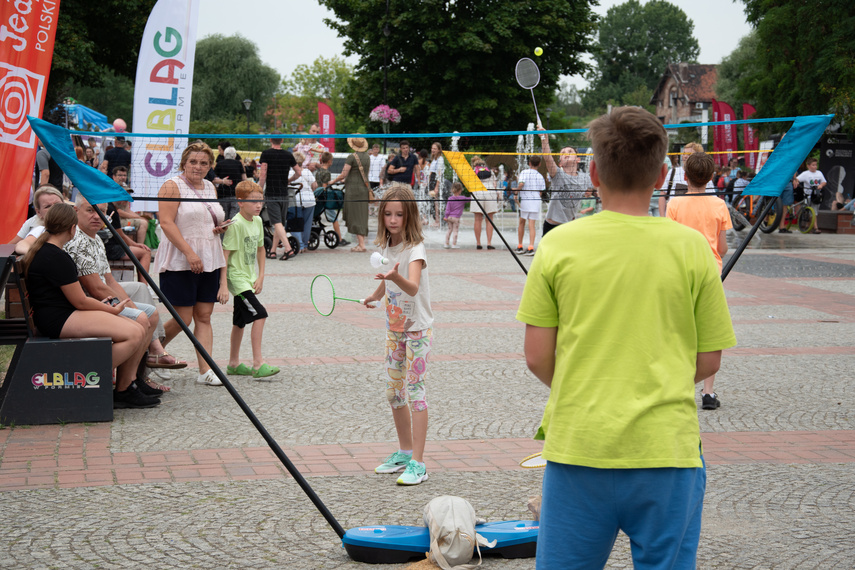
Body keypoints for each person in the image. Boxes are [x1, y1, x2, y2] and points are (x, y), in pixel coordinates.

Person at [517, 106, 736, 568]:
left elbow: (537, 356)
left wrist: (588, 384)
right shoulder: (693, 248)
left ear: (594, 171)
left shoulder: (558, 245)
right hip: (667, 450)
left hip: (580, 445)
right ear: (661, 176)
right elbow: (709, 360)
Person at [20, 203, 156, 408]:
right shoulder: (56, 257)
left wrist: (107, 307)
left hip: (57, 314)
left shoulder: (48, 251)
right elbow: (81, 301)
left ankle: (123, 387)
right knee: (134, 333)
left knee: (136, 327)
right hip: (59, 319)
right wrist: (112, 310)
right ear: (72, 228)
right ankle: (82, 377)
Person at [65, 195, 184, 393]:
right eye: (90, 210)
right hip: (91, 305)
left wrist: (131, 305)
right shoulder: (78, 240)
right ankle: (125, 387)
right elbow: (95, 289)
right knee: (141, 317)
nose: (97, 216)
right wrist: (131, 310)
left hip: (102, 299)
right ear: (76, 212)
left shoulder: (95, 239)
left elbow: (110, 281)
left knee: (150, 313)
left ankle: (133, 380)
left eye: (101, 212)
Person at [363, 186, 433, 486]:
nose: (393, 220)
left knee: (416, 394)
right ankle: (404, 452)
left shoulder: (415, 249)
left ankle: (419, 462)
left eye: (399, 214)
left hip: (417, 329)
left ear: (409, 216)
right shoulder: (386, 249)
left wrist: (393, 277)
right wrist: (375, 295)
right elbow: (387, 280)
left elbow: (413, 286)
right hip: (395, 330)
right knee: (394, 393)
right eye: (388, 214)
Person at [154, 142, 230, 386]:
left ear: (210, 166)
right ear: (184, 163)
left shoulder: (209, 187)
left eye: (204, 163)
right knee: (182, 318)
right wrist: (189, 253)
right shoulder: (171, 185)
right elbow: (166, 223)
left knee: (204, 316)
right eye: (193, 162)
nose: (198, 167)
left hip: (209, 255)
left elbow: (205, 220)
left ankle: (206, 370)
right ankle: (153, 349)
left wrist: (218, 228)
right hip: (180, 258)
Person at [666, 152, 732, 410]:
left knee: (680, 331)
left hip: (681, 274)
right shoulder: (718, 205)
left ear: (685, 176)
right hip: (710, 273)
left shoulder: (674, 204)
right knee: (710, 333)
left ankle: (677, 385)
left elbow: (668, 244)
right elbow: (723, 247)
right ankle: (708, 392)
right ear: (711, 177)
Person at [222, 181, 280, 379]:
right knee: (260, 314)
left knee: (239, 322)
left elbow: (261, 249)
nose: (258, 205)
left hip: (249, 278)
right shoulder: (235, 224)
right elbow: (225, 255)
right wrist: (223, 285)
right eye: (253, 201)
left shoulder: (257, 221)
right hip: (236, 278)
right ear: (240, 202)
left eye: (260, 201)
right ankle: (258, 364)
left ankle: (233, 364)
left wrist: (261, 276)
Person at [538, 128, 592, 236]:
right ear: (560, 163)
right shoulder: (557, 174)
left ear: (578, 160)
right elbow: (548, 158)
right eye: (562, 153)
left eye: (570, 152)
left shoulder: (585, 178)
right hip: (552, 226)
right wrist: (544, 139)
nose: (566, 153)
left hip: (569, 225)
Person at [258, 133, 301, 260]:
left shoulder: (266, 154)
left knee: (277, 223)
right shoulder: (288, 155)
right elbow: (298, 172)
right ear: (282, 140)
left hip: (272, 193)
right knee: (279, 224)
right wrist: (289, 180)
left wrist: (259, 190)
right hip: (284, 194)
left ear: (270, 140)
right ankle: (272, 251)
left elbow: (263, 175)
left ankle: (288, 249)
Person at [328, 136, 372, 252]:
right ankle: (360, 243)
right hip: (364, 189)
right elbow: (360, 174)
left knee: (355, 216)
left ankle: (361, 245)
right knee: (362, 216)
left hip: (353, 191)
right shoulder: (367, 157)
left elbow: (343, 174)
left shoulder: (351, 157)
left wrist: (332, 181)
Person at [658, 142, 705, 215]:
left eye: (689, 154)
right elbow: (662, 196)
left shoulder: (704, 174)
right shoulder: (673, 172)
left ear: (698, 156)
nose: (685, 156)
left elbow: (711, 198)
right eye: (684, 153)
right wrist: (662, 217)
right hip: (674, 218)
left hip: (695, 217)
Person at [314, 151, 348, 246]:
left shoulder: (318, 171)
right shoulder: (326, 172)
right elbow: (325, 187)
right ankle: (340, 239)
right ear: (329, 161)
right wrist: (333, 182)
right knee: (334, 218)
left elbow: (318, 185)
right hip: (325, 198)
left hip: (318, 197)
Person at [515, 155, 545, 255]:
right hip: (535, 201)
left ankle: (520, 246)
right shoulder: (540, 176)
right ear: (539, 164)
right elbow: (541, 191)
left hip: (526, 201)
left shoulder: (524, 172)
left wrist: (516, 193)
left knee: (521, 222)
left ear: (529, 163)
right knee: (532, 225)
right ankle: (531, 247)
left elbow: (521, 184)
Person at [470, 158, 500, 248]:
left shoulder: (472, 171)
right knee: (490, 219)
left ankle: (478, 243)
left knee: (478, 219)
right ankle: (489, 243)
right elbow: (495, 185)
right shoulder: (490, 171)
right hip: (490, 192)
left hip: (477, 192)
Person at [291, 151, 317, 253]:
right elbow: (314, 185)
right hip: (309, 200)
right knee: (307, 224)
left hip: (295, 201)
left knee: (295, 223)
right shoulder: (307, 172)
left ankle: (299, 245)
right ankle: (305, 244)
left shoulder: (289, 172)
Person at [214, 146, 246, 221]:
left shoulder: (219, 164)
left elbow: (214, 179)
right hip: (236, 194)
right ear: (235, 155)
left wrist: (222, 181)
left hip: (222, 194)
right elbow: (244, 179)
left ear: (224, 155)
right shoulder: (239, 164)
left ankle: (223, 232)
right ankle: (232, 232)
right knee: (234, 219)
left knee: (223, 219)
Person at [797, 158, 826, 234]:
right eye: (813, 165)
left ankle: (809, 226)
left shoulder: (819, 173)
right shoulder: (805, 174)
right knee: (810, 211)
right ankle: (815, 227)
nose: (815, 166)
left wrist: (821, 185)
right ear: (808, 166)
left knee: (814, 211)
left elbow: (824, 182)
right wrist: (796, 182)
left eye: (816, 165)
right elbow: (797, 179)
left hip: (816, 195)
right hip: (808, 195)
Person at [443, 181, 470, 249]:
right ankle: (454, 244)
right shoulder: (462, 198)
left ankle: (446, 243)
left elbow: (447, 209)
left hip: (449, 217)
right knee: (455, 231)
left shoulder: (450, 198)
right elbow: (470, 199)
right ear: (460, 190)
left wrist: (446, 216)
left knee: (449, 230)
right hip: (456, 218)